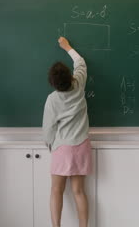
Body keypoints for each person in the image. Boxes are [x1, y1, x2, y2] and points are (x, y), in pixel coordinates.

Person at [43, 36, 92, 227]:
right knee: (79, 191)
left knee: (56, 190)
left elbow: (48, 130)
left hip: (62, 148)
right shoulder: (79, 85)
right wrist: (67, 47)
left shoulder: (52, 100)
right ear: (71, 77)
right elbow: (81, 63)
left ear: (53, 84)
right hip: (81, 145)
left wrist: (52, 146)